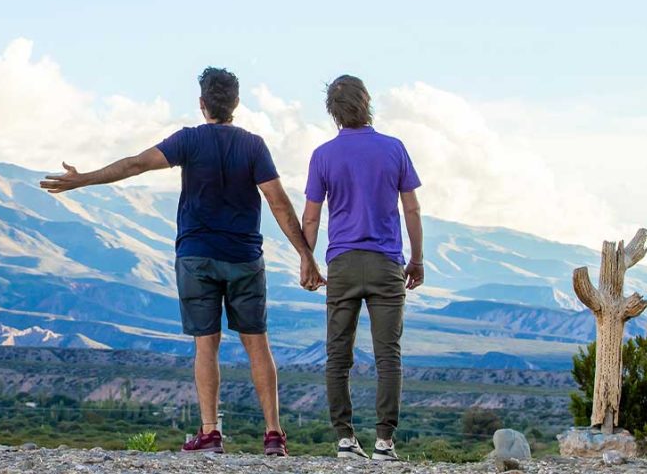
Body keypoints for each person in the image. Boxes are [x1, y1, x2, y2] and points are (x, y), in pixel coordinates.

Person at [41, 67, 324, 456]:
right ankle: (273, 435)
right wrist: (305, 256)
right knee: (258, 345)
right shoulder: (254, 146)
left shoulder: (189, 141)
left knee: (205, 345)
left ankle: (210, 434)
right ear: (236, 104)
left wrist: (83, 179)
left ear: (202, 103)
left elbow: (134, 164)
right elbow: (278, 200)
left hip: (196, 257)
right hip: (244, 258)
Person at [302, 75, 424, 461]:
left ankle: (344, 439)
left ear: (332, 113)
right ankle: (385, 442)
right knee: (388, 355)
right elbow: (412, 209)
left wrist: (307, 260)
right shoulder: (394, 149)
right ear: (367, 103)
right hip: (387, 263)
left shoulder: (323, 155)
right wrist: (417, 258)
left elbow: (311, 218)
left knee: (338, 355)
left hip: (341, 264)